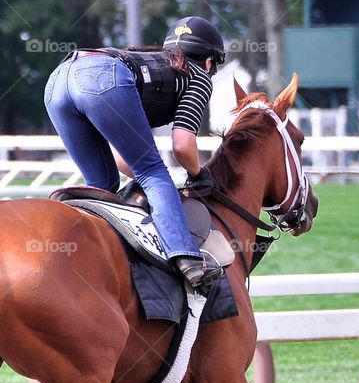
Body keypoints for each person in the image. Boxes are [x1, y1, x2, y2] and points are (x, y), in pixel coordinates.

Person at [44, 16, 226, 289]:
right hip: (100, 75)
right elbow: (182, 144)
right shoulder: (198, 75)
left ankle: (86, 254)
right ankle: (187, 259)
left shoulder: (152, 64)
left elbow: (121, 157)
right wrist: (199, 173)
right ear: (210, 62)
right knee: (154, 173)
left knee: (102, 185)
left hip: (57, 81)